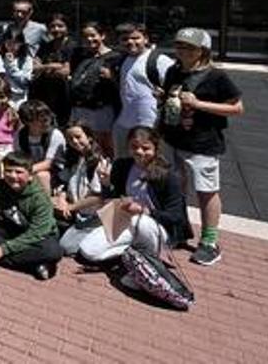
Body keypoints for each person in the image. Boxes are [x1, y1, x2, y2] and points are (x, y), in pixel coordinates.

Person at [158, 27, 242, 266]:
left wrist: (199, 104)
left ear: (202, 50)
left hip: (202, 143)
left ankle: (209, 242)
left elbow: (237, 108)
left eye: (189, 47)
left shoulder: (217, 77)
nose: (182, 50)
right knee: (175, 188)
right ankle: (178, 231)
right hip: (173, 138)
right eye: (179, 45)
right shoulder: (174, 71)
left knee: (206, 192)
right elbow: (170, 98)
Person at [74, 126, 193, 263]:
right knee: (87, 251)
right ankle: (131, 254)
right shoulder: (122, 165)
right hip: (125, 220)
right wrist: (106, 184)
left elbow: (176, 216)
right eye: (134, 146)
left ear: (155, 148)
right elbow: (111, 199)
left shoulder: (168, 176)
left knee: (140, 220)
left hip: (155, 227)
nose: (139, 152)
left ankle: (151, 258)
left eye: (145, 148)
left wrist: (145, 210)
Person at [0, 152, 62, 281]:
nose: (13, 176)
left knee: (53, 251)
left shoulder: (40, 199)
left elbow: (36, 232)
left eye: (19, 172)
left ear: (30, 176)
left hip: (38, 236)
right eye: (8, 171)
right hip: (12, 230)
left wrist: (2, 250)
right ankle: (34, 265)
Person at [112, 22, 174, 157]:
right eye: (125, 39)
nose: (130, 42)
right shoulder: (121, 60)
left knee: (153, 162)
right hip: (124, 123)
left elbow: (177, 87)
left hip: (151, 124)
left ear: (146, 39)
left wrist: (166, 94)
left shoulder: (160, 60)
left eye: (135, 38)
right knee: (123, 163)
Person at [55, 124, 108, 255]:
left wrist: (70, 207)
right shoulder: (74, 158)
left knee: (67, 247)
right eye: (70, 138)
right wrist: (62, 200)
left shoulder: (99, 161)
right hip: (76, 214)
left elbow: (97, 196)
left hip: (93, 217)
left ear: (89, 137)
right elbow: (64, 183)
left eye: (78, 137)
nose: (74, 141)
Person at [68, 21, 121, 153]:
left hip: (100, 111)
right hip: (79, 108)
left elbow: (121, 85)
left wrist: (111, 77)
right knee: (81, 144)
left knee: (103, 145)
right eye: (85, 37)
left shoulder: (115, 57)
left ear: (102, 36)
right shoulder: (80, 55)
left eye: (93, 35)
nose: (89, 39)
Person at [31, 14, 76, 126]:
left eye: (60, 26)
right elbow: (34, 67)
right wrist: (53, 66)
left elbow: (65, 71)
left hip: (65, 96)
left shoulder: (72, 46)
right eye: (52, 26)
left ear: (67, 27)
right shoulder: (46, 46)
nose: (56, 29)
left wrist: (44, 67)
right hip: (45, 94)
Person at [14, 99, 65, 191]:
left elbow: (48, 163)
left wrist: (25, 171)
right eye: (41, 119)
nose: (46, 122)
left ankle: (45, 204)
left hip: (55, 173)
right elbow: (19, 157)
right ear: (27, 121)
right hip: (29, 169)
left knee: (42, 176)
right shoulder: (20, 135)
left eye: (47, 118)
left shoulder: (55, 134)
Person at [0, 36, 33, 107]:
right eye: (8, 43)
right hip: (1, 97)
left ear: (21, 43)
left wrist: (11, 65)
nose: (12, 46)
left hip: (19, 98)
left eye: (15, 42)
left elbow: (24, 81)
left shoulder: (26, 59)